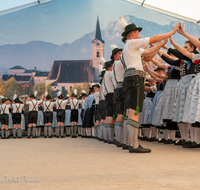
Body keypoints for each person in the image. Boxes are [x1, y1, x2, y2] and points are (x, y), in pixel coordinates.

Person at [119, 16, 180, 153]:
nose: (139, 36)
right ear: (133, 34)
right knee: (135, 111)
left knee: (130, 112)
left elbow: (146, 54)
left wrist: (160, 45)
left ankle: (130, 142)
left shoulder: (128, 48)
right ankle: (134, 145)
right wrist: (171, 33)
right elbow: (152, 38)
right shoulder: (131, 43)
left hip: (130, 78)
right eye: (138, 33)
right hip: (135, 78)